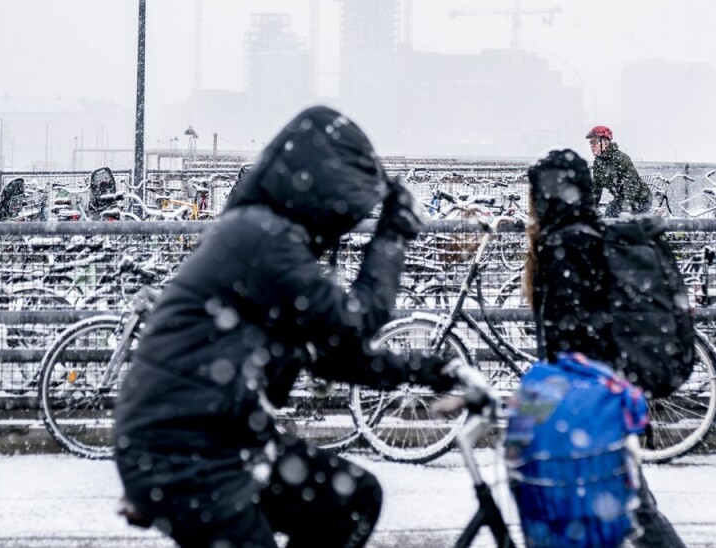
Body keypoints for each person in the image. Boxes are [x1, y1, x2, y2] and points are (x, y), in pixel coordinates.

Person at [113, 105, 459, 548]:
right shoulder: (263, 241)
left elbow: (331, 355)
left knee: (354, 499)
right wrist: (391, 236)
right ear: (321, 189)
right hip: (185, 453)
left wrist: (427, 372)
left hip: (217, 439)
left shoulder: (265, 237)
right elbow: (353, 323)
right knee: (339, 502)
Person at [524, 149, 686, 547]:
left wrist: (534, 409)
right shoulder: (579, 236)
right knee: (628, 508)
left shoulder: (566, 246)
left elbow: (570, 344)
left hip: (589, 405)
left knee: (632, 510)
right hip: (597, 398)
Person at [586, 125, 651, 217]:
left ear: (606, 142)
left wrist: (626, 209)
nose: (592, 146)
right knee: (609, 215)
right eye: (590, 143)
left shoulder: (621, 159)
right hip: (621, 198)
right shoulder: (598, 163)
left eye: (595, 142)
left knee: (621, 222)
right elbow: (596, 188)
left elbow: (630, 187)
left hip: (640, 199)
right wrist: (591, 208)